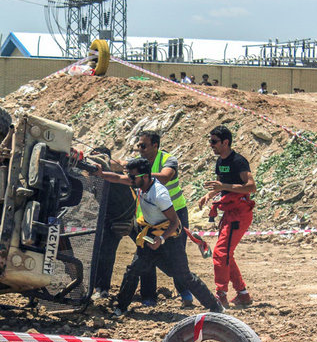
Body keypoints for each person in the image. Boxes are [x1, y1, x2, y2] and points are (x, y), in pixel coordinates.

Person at [95, 158, 223, 317]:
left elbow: (175, 222)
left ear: (145, 176)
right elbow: (117, 178)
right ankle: (121, 307)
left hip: (169, 241)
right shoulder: (140, 183)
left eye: (133, 177)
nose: (131, 180)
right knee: (132, 271)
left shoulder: (159, 194)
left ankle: (215, 306)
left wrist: (161, 240)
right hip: (150, 237)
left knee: (184, 276)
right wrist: (101, 173)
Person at [131, 131, 193, 307]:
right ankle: (148, 296)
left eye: (143, 146)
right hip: (150, 218)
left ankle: (185, 291)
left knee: (178, 254)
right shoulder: (139, 163)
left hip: (174, 213)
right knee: (146, 253)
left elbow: (165, 177)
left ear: (155, 146)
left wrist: (137, 175)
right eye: (139, 146)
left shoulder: (168, 160)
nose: (140, 149)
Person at [198, 125, 256, 308]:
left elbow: (251, 187)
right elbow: (221, 186)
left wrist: (224, 187)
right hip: (230, 213)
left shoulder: (238, 161)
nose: (211, 145)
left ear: (226, 142)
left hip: (240, 214)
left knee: (220, 253)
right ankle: (243, 294)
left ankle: (221, 294)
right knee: (226, 254)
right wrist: (209, 195)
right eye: (210, 141)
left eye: (214, 142)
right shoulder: (220, 162)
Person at [89, 147, 136, 300]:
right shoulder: (96, 177)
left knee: (148, 252)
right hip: (110, 219)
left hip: (131, 217)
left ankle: (150, 294)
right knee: (104, 254)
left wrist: (128, 220)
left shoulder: (116, 174)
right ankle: (101, 289)